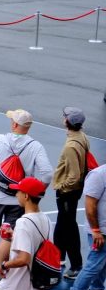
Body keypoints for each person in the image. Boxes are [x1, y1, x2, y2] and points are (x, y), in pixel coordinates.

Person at [0, 109, 52, 276]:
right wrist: (37, 190)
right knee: (7, 235)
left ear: (14, 124)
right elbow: (47, 174)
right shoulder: (35, 147)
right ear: (28, 126)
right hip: (18, 198)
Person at [66, 154, 106, 290]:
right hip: (100, 231)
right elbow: (90, 205)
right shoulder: (98, 175)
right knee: (93, 265)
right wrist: (96, 230)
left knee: (103, 265)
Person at [53, 106, 90, 280]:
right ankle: (58, 256)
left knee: (69, 227)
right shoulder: (82, 137)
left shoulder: (70, 146)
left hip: (67, 192)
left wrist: (61, 186)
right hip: (74, 191)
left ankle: (76, 265)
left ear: (67, 121)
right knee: (62, 222)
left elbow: (74, 176)